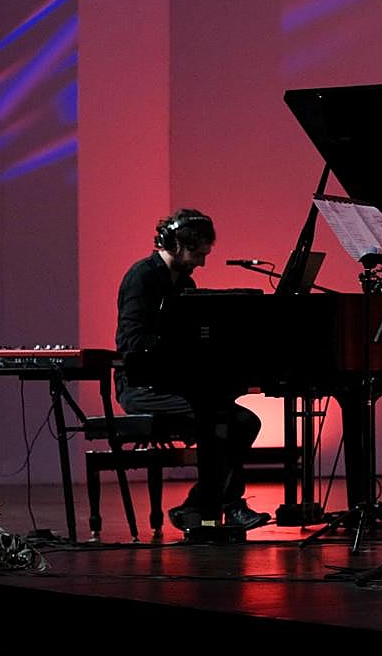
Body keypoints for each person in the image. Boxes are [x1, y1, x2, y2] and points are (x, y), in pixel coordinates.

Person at [114, 208, 270, 531]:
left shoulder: (184, 282)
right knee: (217, 415)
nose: (202, 262)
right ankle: (221, 506)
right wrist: (176, 348)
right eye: (198, 253)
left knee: (245, 422)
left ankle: (198, 505)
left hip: (177, 385)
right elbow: (133, 342)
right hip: (142, 388)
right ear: (176, 244)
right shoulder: (140, 278)